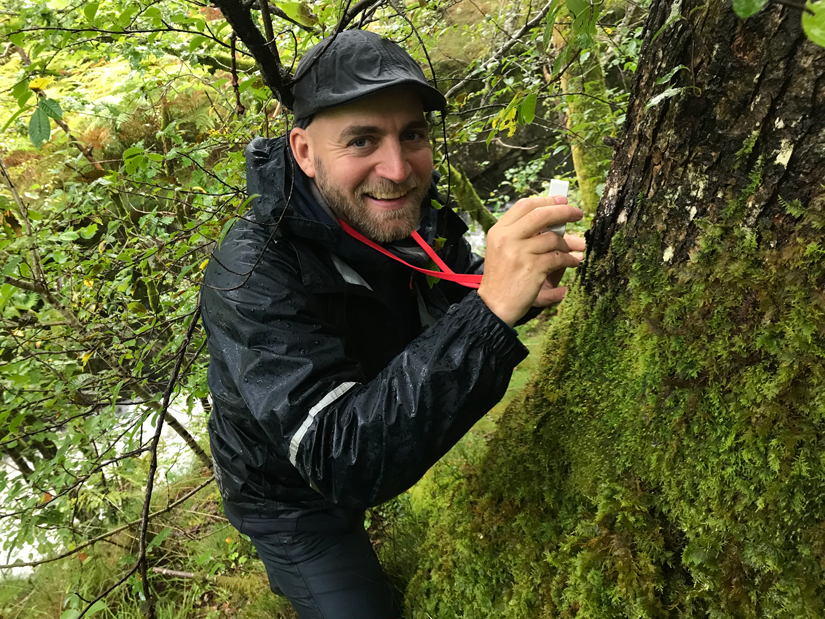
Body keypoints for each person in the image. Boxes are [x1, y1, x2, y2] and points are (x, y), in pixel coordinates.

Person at [201, 29, 584, 619]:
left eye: (413, 135)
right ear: (304, 152)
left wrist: (527, 280)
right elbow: (339, 457)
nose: (399, 168)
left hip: (376, 426)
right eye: (362, 140)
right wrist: (491, 313)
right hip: (290, 496)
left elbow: (459, 289)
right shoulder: (251, 273)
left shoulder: (405, 218)